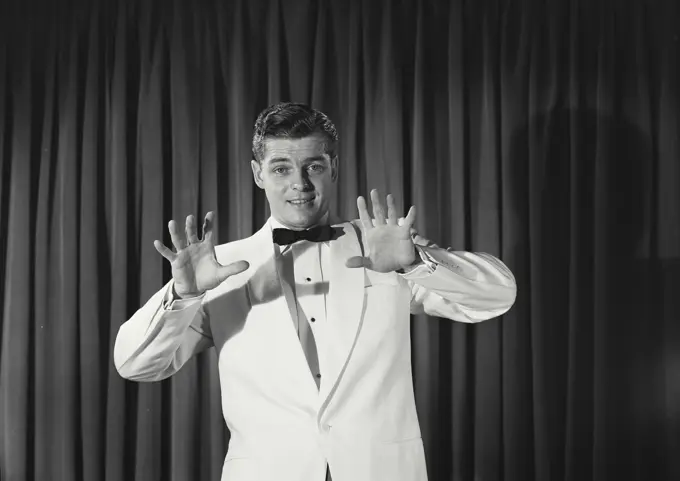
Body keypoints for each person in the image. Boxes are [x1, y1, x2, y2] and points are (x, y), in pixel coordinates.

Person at [114, 102, 517, 481]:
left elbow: (498, 295)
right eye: (281, 169)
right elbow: (134, 364)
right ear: (258, 174)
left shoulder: (385, 249)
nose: (299, 184)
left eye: (313, 166)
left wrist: (414, 262)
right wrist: (184, 295)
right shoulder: (220, 269)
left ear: (333, 167)